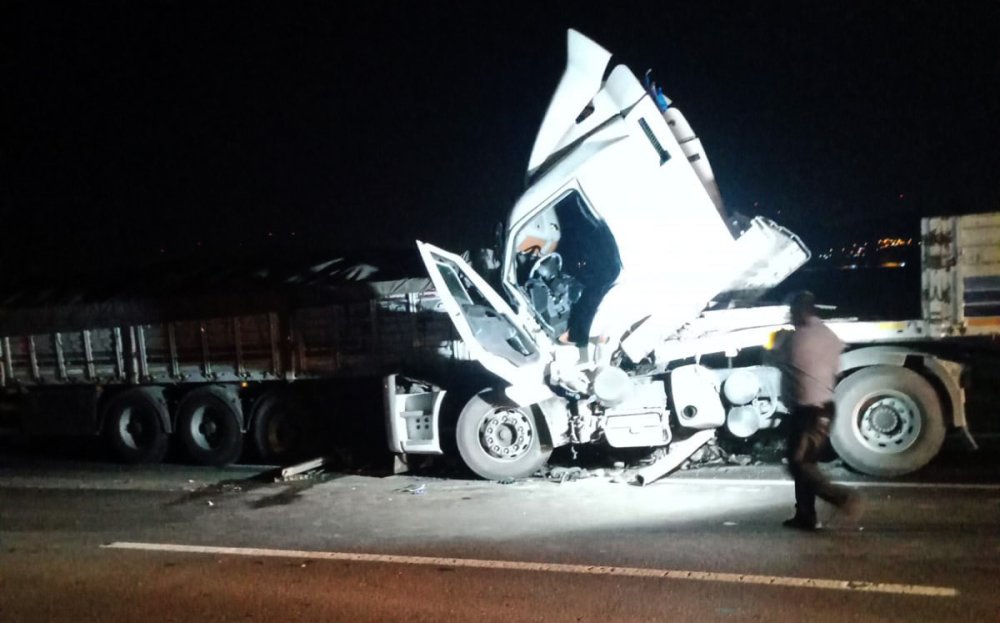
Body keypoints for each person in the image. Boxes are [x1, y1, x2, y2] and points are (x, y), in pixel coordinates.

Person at [777, 291, 861, 530]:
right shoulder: (830, 336)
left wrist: (777, 340)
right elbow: (836, 369)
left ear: (801, 311)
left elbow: (772, 357)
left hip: (809, 412)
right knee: (806, 464)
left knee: (798, 464)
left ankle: (842, 498)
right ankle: (805, 515)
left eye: (792, 312)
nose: (790, 317)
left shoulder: (797, 339)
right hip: (824, 408)